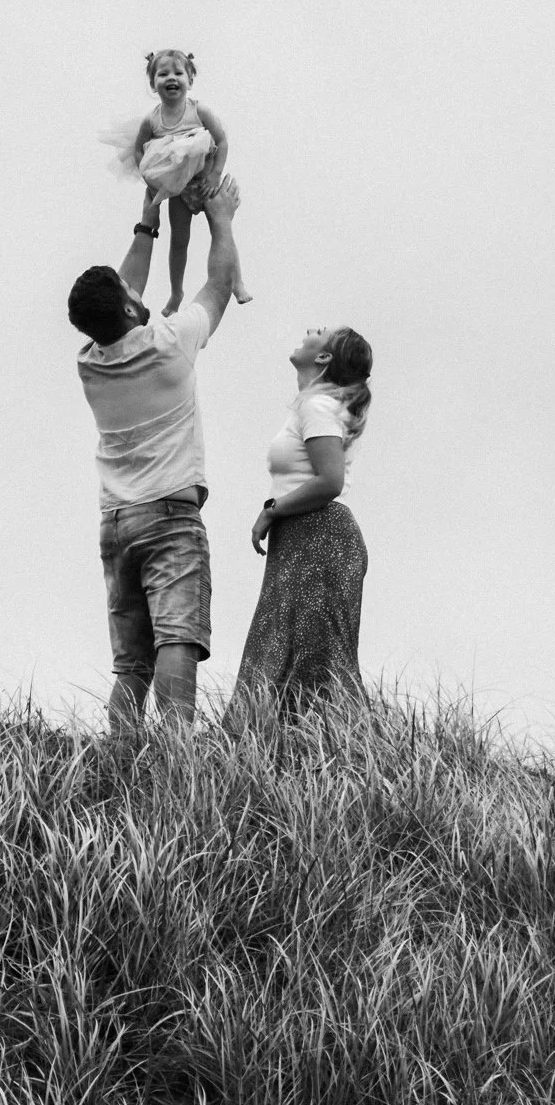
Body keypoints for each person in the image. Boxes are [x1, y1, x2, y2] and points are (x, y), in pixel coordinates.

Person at [68, 174, 244, 730]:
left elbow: (124, 289)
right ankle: (175, 756)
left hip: (117, 520)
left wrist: (150, 218)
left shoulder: (91, 363)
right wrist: (221, 218)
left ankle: (120, 753)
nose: (136, 292)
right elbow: (217, 287)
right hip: (169, 515)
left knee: (130, 664)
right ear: (125, 311)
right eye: (129, 296)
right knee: (178, 638)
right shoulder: (169, 345)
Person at [226, 325, 374, 722]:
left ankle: (317, 748)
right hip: (303, 535)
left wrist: (272, 509)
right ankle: (289, 750)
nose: (311, 330)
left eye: (321, 333)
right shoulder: (315, 406)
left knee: (306, 653)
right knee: (286, 647)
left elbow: (330, 481)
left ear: (323, 358)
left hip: (320, 535)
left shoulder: (317, 407)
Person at [100, 48, 251, 314]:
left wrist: (215, 175)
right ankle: (176, 292)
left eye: (178, 73)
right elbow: (139, 150)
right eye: (163, 74)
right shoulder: (153, 119)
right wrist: (151, 180)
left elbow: (222, 140)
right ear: (153, 83)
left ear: (189, 80)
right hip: (179, 189)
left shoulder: (198, 110)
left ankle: (237, 282)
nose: (172, 78)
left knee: (222, 228)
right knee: (179, 240)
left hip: (205, 180)